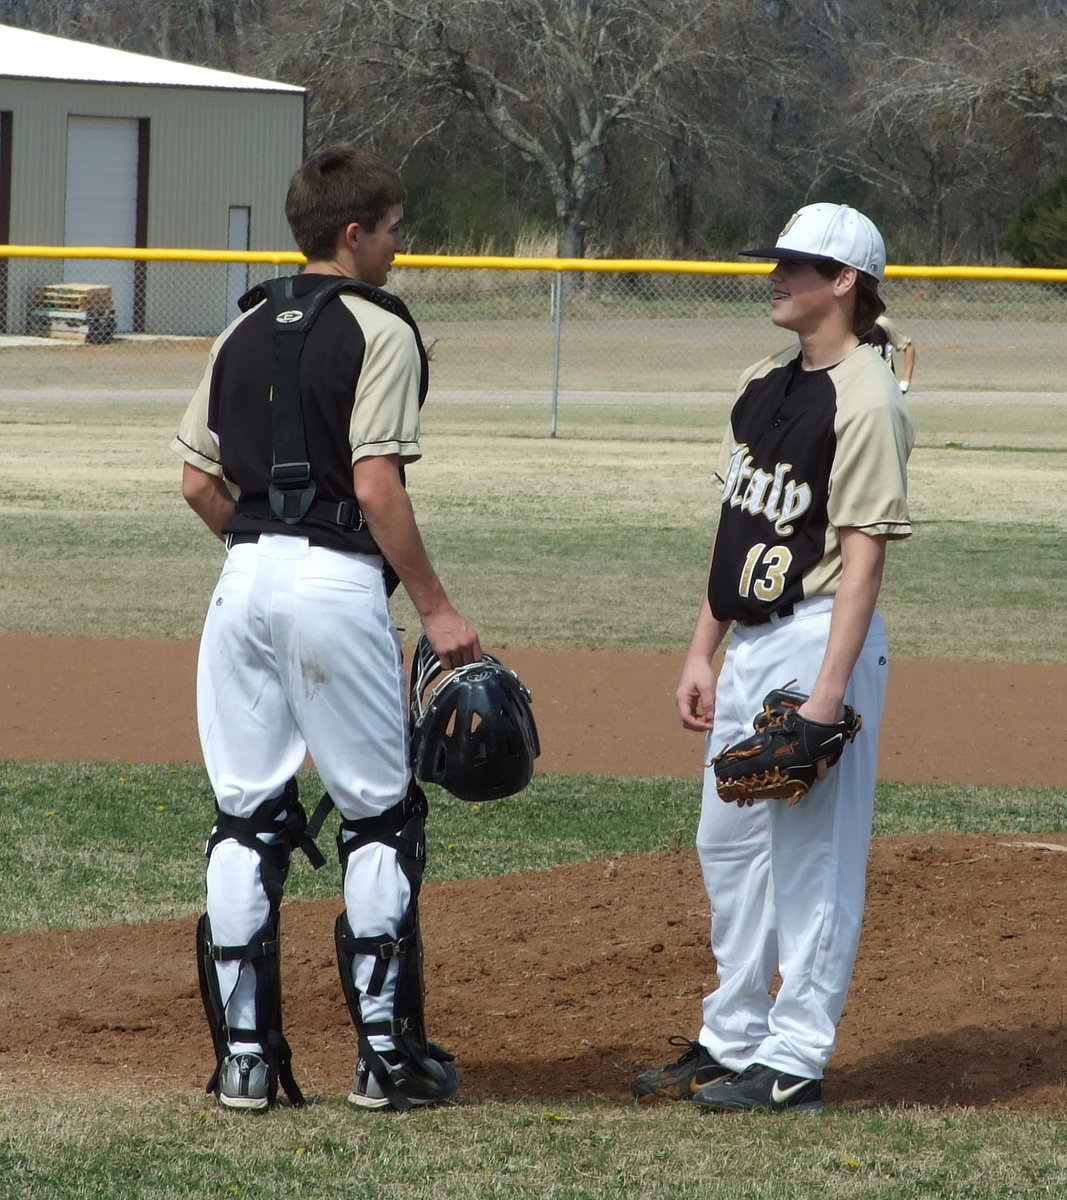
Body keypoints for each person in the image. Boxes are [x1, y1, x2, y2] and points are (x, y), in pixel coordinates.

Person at [172, 144, 481, 1113]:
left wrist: (263, 550)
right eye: (392, 231)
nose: (399, 248)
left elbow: (194, 481)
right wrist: (432, 606)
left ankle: (246, 1066)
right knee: (381, 817)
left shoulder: (240, 330)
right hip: (333, 579)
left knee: (244, 819)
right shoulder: (381, 331)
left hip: (240, 583)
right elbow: (376, 484)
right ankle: (387, 1063)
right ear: (352, 234)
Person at [632, 203, 913, 1113]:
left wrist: (825, 699)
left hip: (818, 633)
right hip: (750, 640)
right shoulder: (763, 382)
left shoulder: (867, 397)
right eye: (776, 261)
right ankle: (732, 1037)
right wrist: (702, 650)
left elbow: (864, 555)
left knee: (809, 857)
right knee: (732, 850)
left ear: (845, 283)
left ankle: (795, 1057)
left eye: (798, 265)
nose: (776, 276)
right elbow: (734, 527)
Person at [859, 313, 916, 393]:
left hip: (885, 387)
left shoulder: (882, 323)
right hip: (860, 387)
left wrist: (905, 382)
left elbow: (908, 348)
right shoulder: (848, 327)